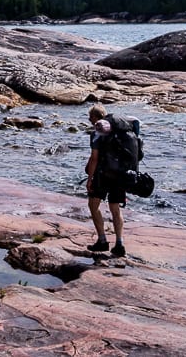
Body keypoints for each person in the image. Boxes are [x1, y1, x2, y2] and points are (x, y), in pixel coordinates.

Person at [85, 104, 126, 257]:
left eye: (90, 117)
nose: (89, 120)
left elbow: (94, 158)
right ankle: (119, 244)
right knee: (115, 209)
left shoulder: (97, 132)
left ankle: (102, 240)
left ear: (96, 117)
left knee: (93, 205)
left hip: (103, 175)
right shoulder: (120, 131)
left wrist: (90, 179)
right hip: (120, 175)